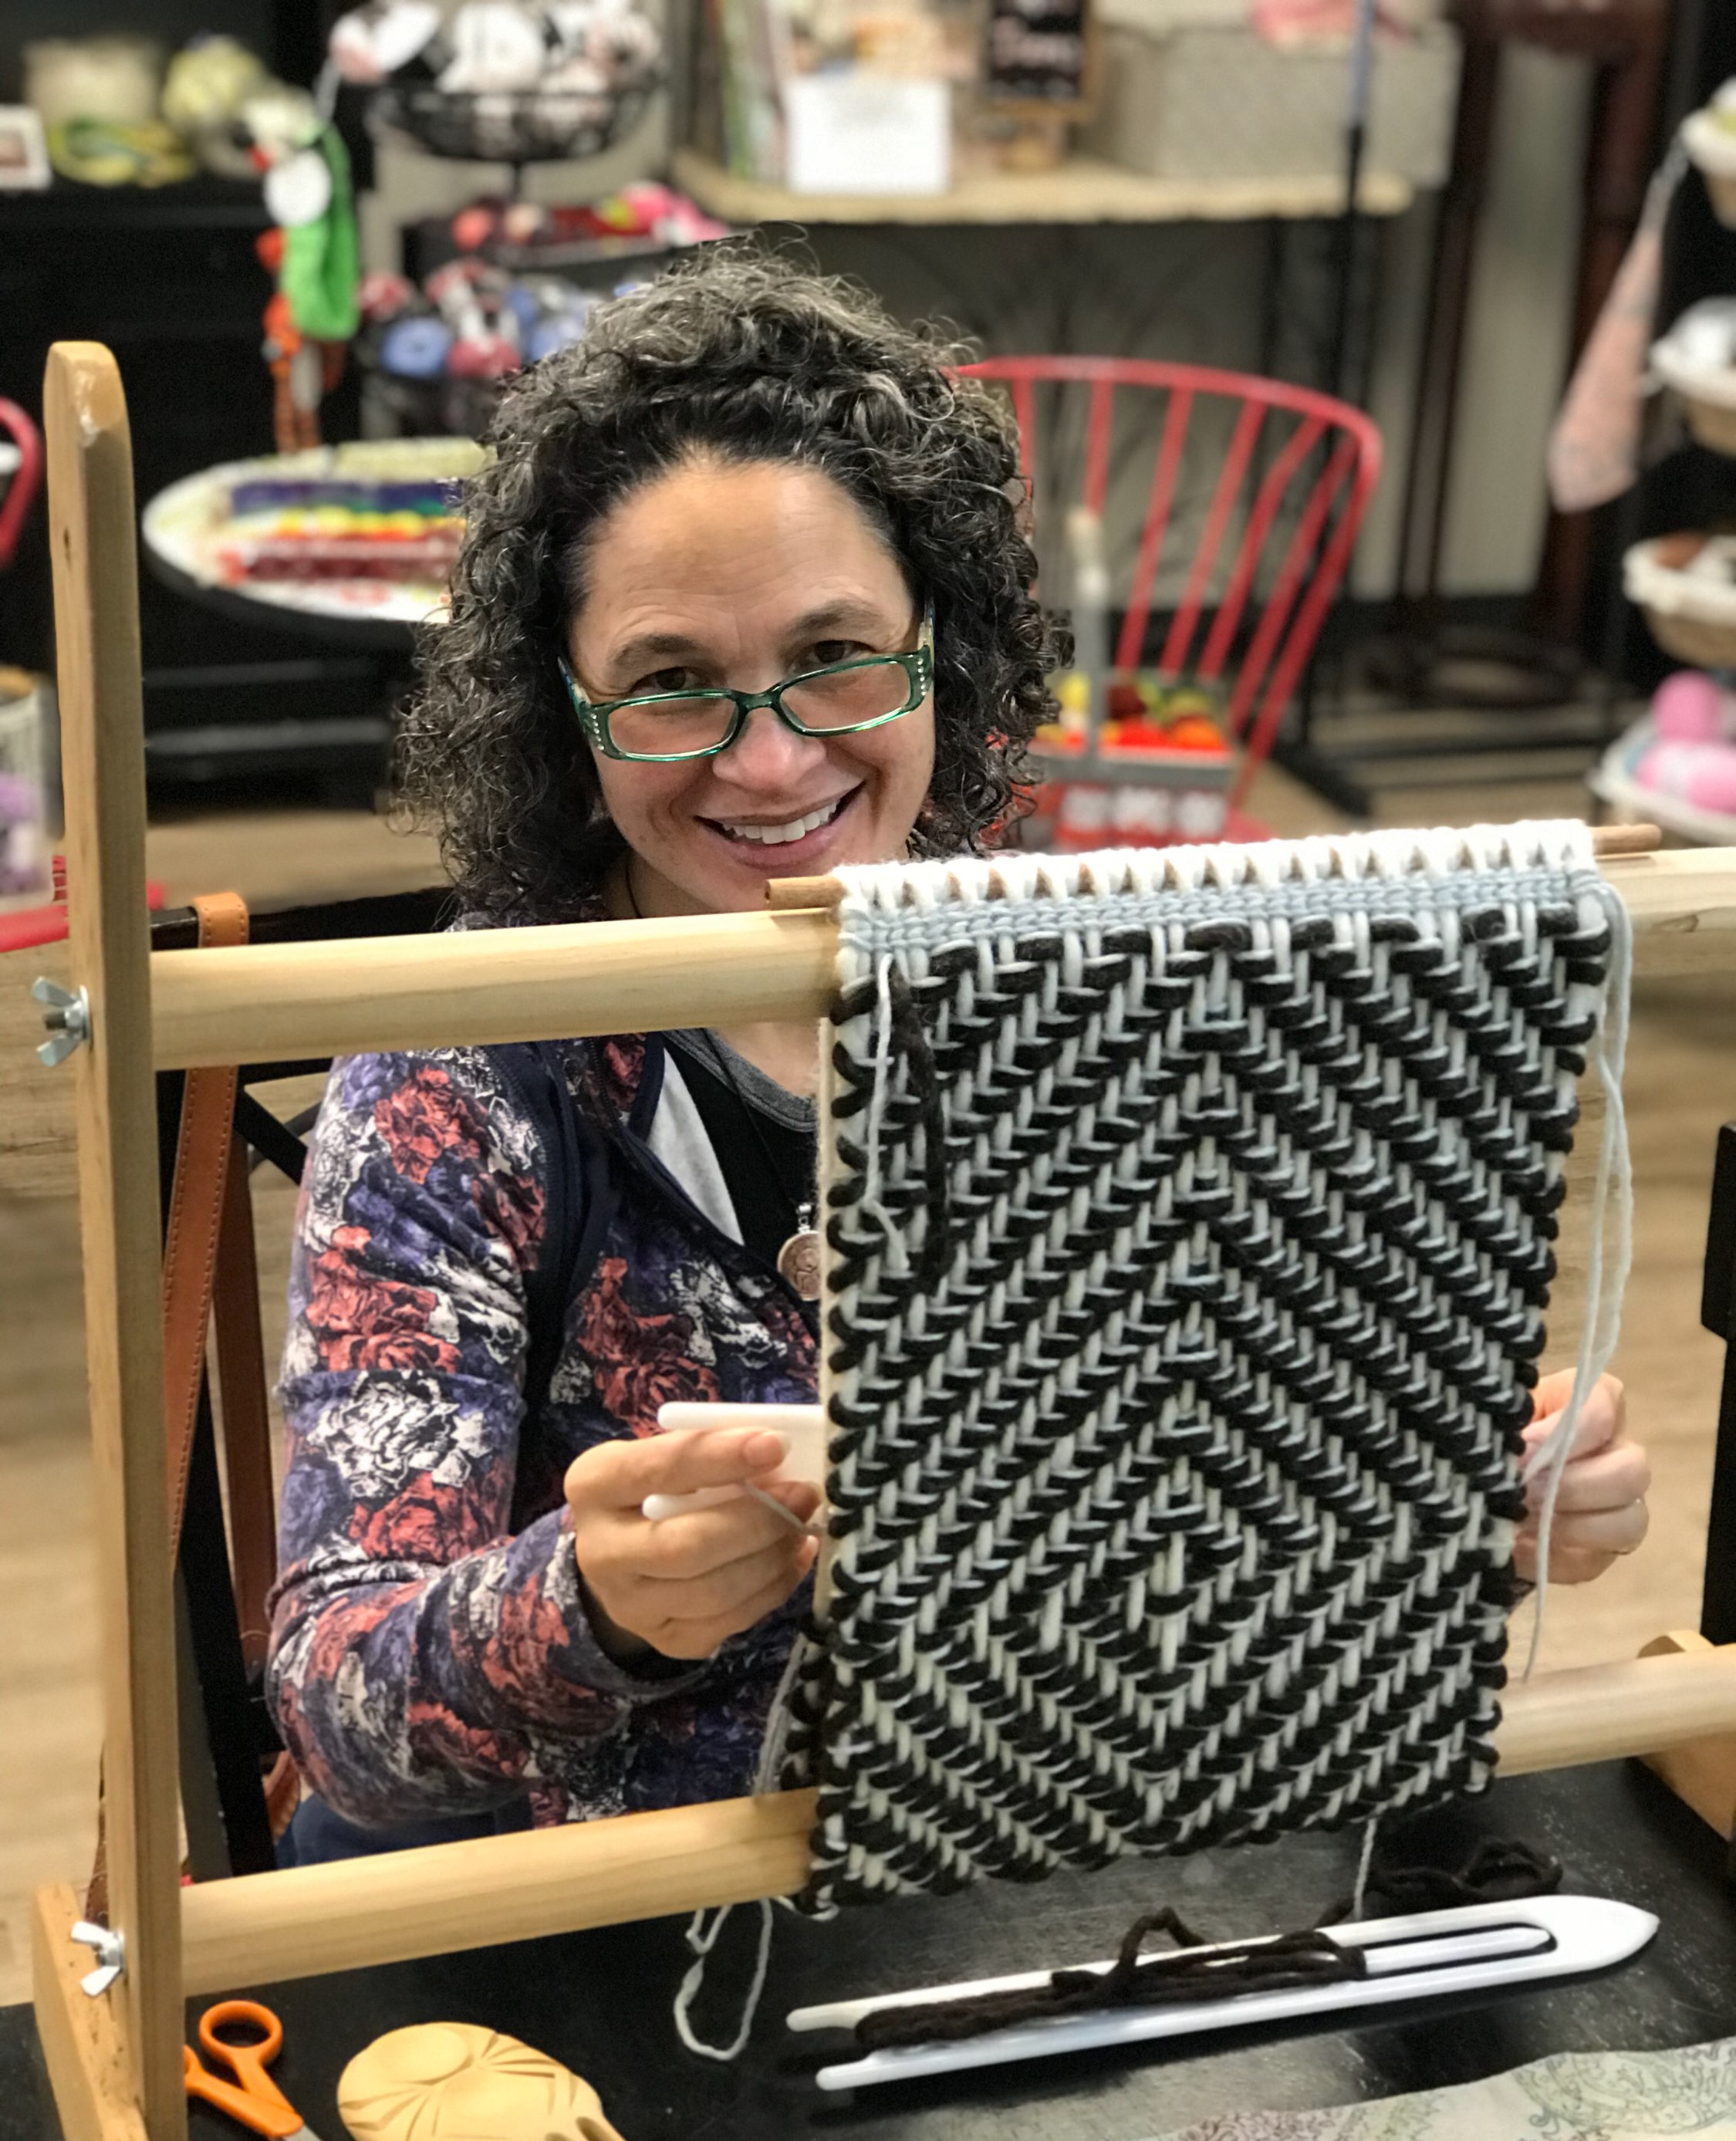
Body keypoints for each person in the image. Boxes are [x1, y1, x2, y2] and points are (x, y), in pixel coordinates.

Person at [267, 246, 1652, 1856]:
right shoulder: (465, 1076)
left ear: (945, 646)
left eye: (837, 656)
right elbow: (339, 1703)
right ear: (563, 715)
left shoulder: (1090, 992)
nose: (773, 757)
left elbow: (1219, 1513)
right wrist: (593, 1605)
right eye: (670, 684)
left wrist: (1474, 1505)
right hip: (576, 1931)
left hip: (1006, 1866)